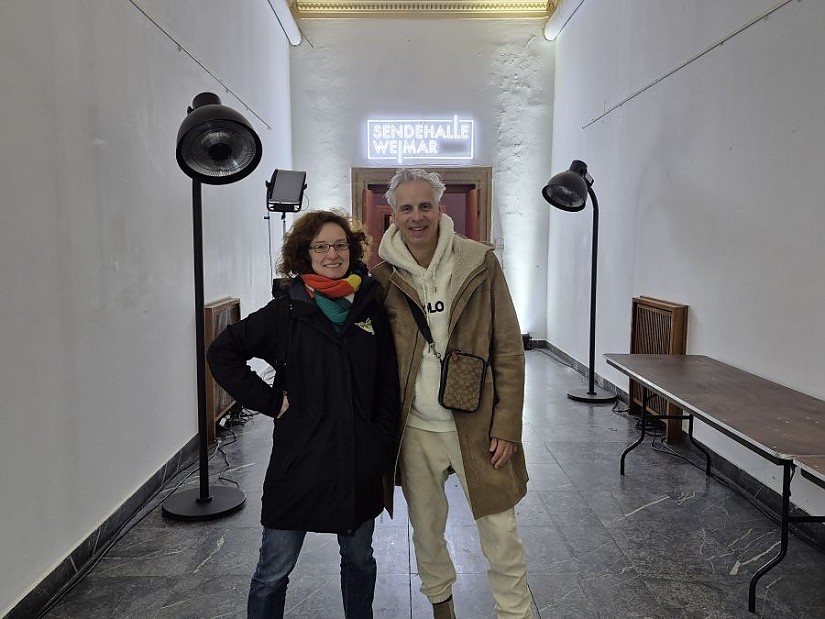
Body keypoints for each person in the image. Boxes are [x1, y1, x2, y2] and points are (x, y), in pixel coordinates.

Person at [207, 210, 399, 619]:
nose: (333, 254)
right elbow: (222, 352)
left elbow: (387, 385)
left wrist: (378, 442)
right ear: (305, 253)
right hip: (300, 461)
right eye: (321, 246)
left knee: (360, 561)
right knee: (273, 572)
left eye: (340, 245)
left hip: (355, 461)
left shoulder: (369, 307)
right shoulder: (286, 312)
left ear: (352, 250)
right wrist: (272, 402)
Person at [371, 168, 532, 619]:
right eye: (406, 207)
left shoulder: (479, 263)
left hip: (477, 425)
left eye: (425, 205)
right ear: (394, 215)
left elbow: (508, 349)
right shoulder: (381, 279)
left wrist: (507, 424)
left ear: (441, 208)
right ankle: (442, 606)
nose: (417, 216)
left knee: (500, 528)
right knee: (425, 528)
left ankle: (515, 613)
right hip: (416, 429)